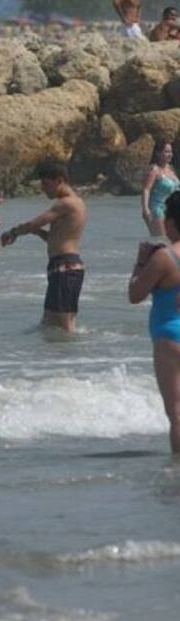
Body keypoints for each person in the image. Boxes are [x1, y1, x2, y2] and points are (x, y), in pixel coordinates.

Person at [0, 162, 88, 333]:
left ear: (60, 181)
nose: (44, 189)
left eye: (46, 184)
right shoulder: (76, 203)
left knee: (65, 325)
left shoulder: (65, 203)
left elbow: (35, 222)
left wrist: (13, 232)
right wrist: (39, 233)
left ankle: (70, 358)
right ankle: (47, 357)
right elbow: (55, 238)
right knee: (48, 322)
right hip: (62, 266)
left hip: (66, 267)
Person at [128, 191, 180, 453]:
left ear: (170, 223)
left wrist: (140, 261)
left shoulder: (164, 257)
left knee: (177, 413)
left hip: (170, 336)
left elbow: (135, 295)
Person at [141, 138, 177, 238]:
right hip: (158, 210)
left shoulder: (171, 169)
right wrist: (145, 210)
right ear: (158, 153)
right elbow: (146, 189)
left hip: (172, 211)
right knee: (161, 240)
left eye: (171, 151)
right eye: (166, 151)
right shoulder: (154, 170)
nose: (170, 154)